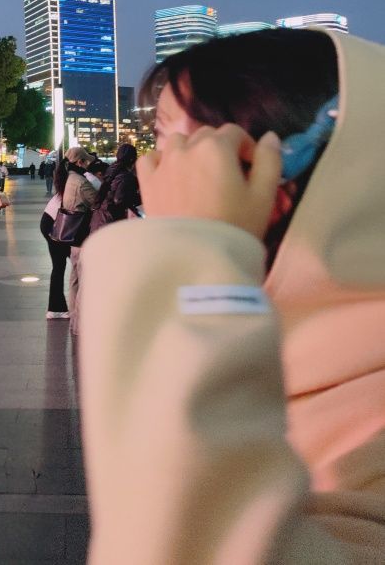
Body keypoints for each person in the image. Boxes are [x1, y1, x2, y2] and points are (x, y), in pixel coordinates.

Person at [79, 28, 385, 563]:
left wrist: (194, 261)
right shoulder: (271, 353)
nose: (157, 174)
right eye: (161, 142)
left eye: (198, 153)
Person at [57, 146, 97, 335]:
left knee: (74, 279)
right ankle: (80, 324)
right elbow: (97, 201)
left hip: (72, 236)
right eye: (86, 161)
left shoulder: (69, 178)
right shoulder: (81, 182)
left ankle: (75, 320)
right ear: (80, 162)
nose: (88, 164)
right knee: (83, 280)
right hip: (81, 236)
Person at [40, 154, 72, 319]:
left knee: (59, 267)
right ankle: (57, 308)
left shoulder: (66, 181)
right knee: (62, 266)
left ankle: (55, 308)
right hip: (55, 226)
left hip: (50, 223)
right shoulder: (75, 182)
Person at [89, 144, 141, 234]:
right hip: (110, 221)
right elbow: (119, 199)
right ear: (133, 159)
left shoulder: (111, 169)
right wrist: (140, 199)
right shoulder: (126, 176)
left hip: (99, 218)